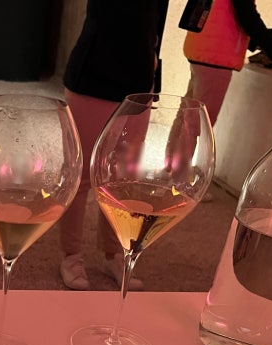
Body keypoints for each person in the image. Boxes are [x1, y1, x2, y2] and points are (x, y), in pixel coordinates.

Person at [59, 0, 169, 291]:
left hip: (139, 80)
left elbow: (156, 19)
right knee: (80, 175)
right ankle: (71, 255)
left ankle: (113, 255)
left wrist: (153, 67)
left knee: (121, 179)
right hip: (94, 76)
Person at [182, 0, 272, 131]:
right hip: (217, 54)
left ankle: (176, 146)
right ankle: (191, 145)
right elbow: (247, 16)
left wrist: (265, 43)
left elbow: (238, 15)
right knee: (199, 124)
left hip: (204, 49)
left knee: (186, 118)